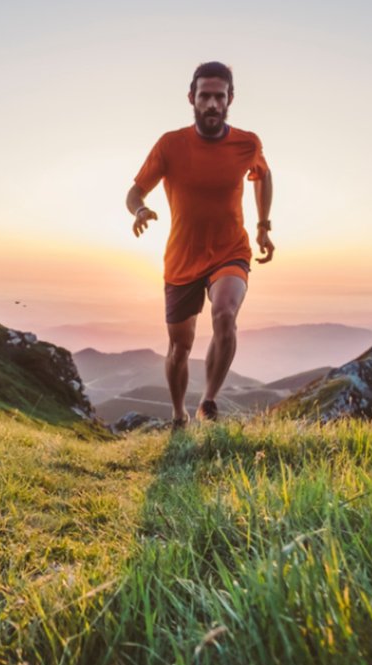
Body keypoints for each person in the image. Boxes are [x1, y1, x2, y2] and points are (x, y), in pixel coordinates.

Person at [126, 61, 274, 428]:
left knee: (225, 314)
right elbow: (135, 191)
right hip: (182, 259)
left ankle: (208, 400)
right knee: (180, 348)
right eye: (204, 96)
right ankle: (179, 415)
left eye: (218, 97)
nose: (211, 104)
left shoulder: (247, 143)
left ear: (230, 100)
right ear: (191, 98)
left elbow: (263, 176)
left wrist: (263, 226)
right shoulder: (171, 144)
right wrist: (141, 209)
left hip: (230, 251)